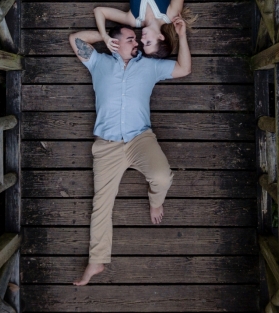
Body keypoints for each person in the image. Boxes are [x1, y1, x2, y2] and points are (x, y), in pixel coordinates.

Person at [68, 17, 192, 286]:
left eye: (135, 39)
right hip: (107, 146)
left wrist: (182, 37)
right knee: (101, 204)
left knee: (161, 177)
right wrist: (105, 38)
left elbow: (184, 68)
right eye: (130, 39)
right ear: (116, 43)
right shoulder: (98, 62)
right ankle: (96, 261)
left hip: (140, 138)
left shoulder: (149, 66)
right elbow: (75, 40)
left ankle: (155, 201)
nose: (136, 42)